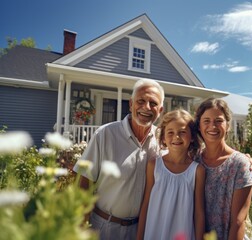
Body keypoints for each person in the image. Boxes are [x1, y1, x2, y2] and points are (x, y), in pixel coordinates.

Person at [73, 79, 164, 240]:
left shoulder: (163, 141)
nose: (146, 107)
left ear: (161, 110)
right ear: (131, 104)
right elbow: (83, 183)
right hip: (103, 228)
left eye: (153, 103)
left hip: (142, 230)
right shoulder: (105, 134)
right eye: (141, 101)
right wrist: (80, 228)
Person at [137, 109, 205, 240]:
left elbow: (199, 213)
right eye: (170, 132)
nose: (176, 137)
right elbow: (146, 204)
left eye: (182, 132)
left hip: (182, 234)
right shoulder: (154, 166)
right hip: (154, 233)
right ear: (163, 137)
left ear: (191, 137)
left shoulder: (197, 171)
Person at [194, 98, 252, 240]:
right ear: (199, 126)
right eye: (206, 121)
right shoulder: (192, 161)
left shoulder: (240, 164)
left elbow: (239, 221)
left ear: (228, 125)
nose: (212, 126)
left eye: (218, 121)